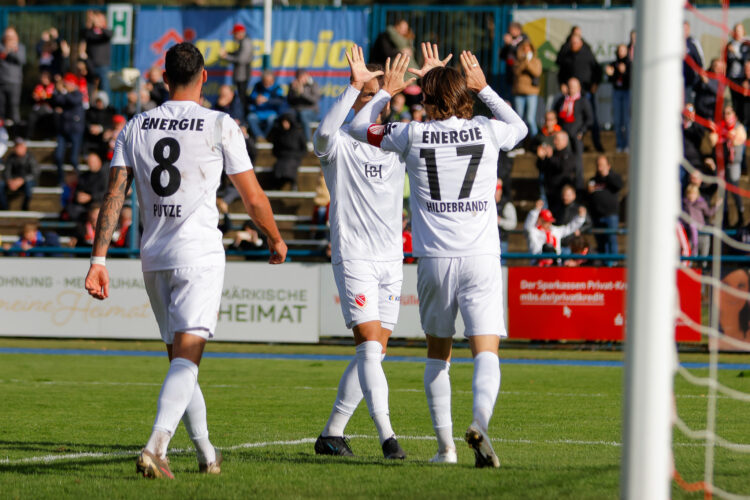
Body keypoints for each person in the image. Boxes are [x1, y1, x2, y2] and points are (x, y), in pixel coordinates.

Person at [83, 42, 287, 479]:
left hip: (154, 256)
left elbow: (114, 193)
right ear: (204, 78)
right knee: (187, 359)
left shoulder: (135, 125)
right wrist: (274, 237)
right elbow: (253, 197)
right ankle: (156, 446)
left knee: (181, 359)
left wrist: (99, 258)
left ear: (164, 79)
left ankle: (206, 454)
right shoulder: (220, 124)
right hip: (198, 255)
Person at [349, 48, 528, 467]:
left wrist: (386, 94)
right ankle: (480, 421)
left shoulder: (411, 133)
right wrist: (485, 89)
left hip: (434, 259)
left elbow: (358, 126)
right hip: (480, 255)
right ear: (465, 94)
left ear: (426, 100)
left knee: (438, 353)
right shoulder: (485, 129)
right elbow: (520, 127)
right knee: (486, 350)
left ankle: (446, 448)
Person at [311, 44, 409, 460]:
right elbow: (321, 136)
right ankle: (388, 436)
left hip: (391, 259)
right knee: (369, 348)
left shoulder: (397, 141)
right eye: (365, 97)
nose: (371, 101)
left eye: (372, 97)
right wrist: (355, 88)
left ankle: (332, 433)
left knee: (375, 351)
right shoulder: (340, 146)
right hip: (355, 256)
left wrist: (391, 89)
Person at [556, 32, 603, 152]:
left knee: (591, 118)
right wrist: (562, 83)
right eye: (572, 43)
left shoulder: (587, 55)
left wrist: (595, 84)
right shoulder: (567, 56)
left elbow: (597, 70)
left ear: (581, 43)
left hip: (585, 92)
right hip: (570, 94)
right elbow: (561, 72)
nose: (574, 45)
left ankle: (596, 143)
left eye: (576, 43)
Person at [553, 77, 592, 190]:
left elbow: (589, 119)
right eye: (570, 86)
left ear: (578, 88)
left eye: (574, 87)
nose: (571, 89)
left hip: (576, 136)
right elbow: (555, 115)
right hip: (563, 136)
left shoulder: (583, 101)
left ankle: (578, 187)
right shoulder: (561, 100)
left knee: (578, 164)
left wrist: (581, 131)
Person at [587, 155, 623, 260]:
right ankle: (604, 264)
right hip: (597, 216)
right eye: (598, 165)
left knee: (611, 240)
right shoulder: (593, 180)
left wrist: (607, 176)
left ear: (608, 166)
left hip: (610, 215)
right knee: (600, 242)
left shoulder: (614, 177)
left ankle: (614, 264)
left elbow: (618, 185)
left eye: (602, 165)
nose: (600, 168)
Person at [52, 73, 86, 184]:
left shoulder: (78, 94)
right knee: (58, 156)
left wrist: (64, 91)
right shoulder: (65, 94)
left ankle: (79, 180)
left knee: (73, 159)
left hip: (75, 130)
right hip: (63, 130)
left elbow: (73, 101)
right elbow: (56, 100)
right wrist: (58, 90)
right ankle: (61, 179)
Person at [536, 130, 577, 215]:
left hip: (561, 194)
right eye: (554, 139)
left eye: (557, 140)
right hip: (550, 192)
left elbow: (563, 168)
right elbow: (542, 168)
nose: (555, 142)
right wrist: (541, 158)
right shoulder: (553, 154)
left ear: (565, 141)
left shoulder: (569, 155)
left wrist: (550, 157)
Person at [267, 112, 307, 190]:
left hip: (294, 157)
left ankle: (293, 183)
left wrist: (298, 155)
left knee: (289, 164)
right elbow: (275, 148)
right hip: (282, 156)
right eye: (283, 122)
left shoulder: (298, 133)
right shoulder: (279, 134)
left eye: (286, 122)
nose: (285, 124)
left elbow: (304, 148)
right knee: (279, 166)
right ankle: (278, 184)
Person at [220, 24, 254, 116]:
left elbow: (241, 59)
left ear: (239, 33)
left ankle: (244, 119)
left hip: (243, 76)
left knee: (242, 98)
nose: (234, 36)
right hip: (241, 75)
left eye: (235, 34)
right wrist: (228, 54)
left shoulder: (246, 42)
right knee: (241, 97)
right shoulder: (243, 42)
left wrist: (226, 56)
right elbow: (238, 54)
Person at [512, 40, 542, 138]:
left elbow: (536, 72)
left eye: (528, 48)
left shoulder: (536, 61)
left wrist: (528, 63)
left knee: (530, 118)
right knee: (519, 119)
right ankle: (520, 140)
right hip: (519, 92)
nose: (526, 51)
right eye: (524, 49)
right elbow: (516, 72)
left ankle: (535, 139)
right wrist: (524, 61)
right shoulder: (518, 61)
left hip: (531, 92)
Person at [79, 10, 112, 95]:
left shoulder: (106, 32)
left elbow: (109, 35)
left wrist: (100, 25)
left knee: (104, 90)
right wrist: (90, 22)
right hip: (90, 65)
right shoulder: (90, 32)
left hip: (103, 66)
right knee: (89, 90)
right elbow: (84, 34)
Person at [0, 138, 39, 211]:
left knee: (28, 186)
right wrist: (9, 181)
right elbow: (6, 172)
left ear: (24, 147)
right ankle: (4, 208)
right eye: (16, 146)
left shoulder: (30, 157)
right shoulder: (11, 157)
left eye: (20, 146)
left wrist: (22, 180)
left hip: (27, 181)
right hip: (13, 181)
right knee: (0, 185)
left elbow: (35, 173)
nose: (18, 148)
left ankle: (25, 208)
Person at [605, 44, 631, 152]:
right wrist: (610, 75)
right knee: (617, 119)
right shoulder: (613, 64)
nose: (621, 52)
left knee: (626, 119)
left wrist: (624, 71)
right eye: (619, 50)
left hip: (626, 92)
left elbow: (632, 79)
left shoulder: (630, 64)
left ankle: (628, 144)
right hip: (616, 92)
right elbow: (611, 80)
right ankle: (619, 144)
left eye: (623, 50)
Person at [682, 183, 719, 258]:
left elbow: (708, 213)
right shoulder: (685, 203)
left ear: (697, 194)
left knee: (703, 253)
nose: (691, 196)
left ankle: (695, 248)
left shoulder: (701, 203)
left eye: (693, 194)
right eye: (690, 194)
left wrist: (716, 206)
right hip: (689, 229)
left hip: (700, 227)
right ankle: (694, 249)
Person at [247, 70, 286, 139]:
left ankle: (265, 137)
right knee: (251, 117)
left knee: (271, 119)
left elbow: (280, 101)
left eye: (269, 81)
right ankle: (260, 137)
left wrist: (267, 100)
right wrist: (256, 99)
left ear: (273, 80)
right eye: (265, 81)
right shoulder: (258, 86)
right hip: (258, 112)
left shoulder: (277, 88)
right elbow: (251, 97)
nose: (267, 83)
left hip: (271, 113)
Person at [0, 27, 26, 126]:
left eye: (12, 37)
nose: (10, 39)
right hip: (1, 81)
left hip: (15, 82)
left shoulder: (20, 47)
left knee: (14, 108)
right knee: (1, 108)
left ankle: (16, 134)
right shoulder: (1, 46)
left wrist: (10, 51)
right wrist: (8, 50)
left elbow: (21, 60)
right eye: (8, 37)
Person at [287, 68, 320, 142]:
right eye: (298, 77)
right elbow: (290, 101)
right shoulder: (293, 85)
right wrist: (293, 91)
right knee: (288, 115)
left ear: (306, 76)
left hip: (311, 112)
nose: (300, 79)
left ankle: (307, 141)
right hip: (296, 111)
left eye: (301, 77)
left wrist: (302, 93)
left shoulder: (314, 85)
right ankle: (291, 141)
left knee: (303, 114)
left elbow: (314, 100)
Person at [684, 21, 704, 104]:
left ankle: (690, 117)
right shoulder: (672, 42)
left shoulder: (693, 42)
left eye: (686, 29)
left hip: (690, 81)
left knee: (689, 104)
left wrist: (701, 73)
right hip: (675, 80)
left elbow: (700, 60)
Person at [495, 178, 517, 256]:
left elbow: (512, 224)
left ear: (500, 191)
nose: (494, 193)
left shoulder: (506, 205)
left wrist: (500, 221)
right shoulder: (487, 204)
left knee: (501, 266)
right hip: (487, 241)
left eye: (497, 190)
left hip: (501, 241)